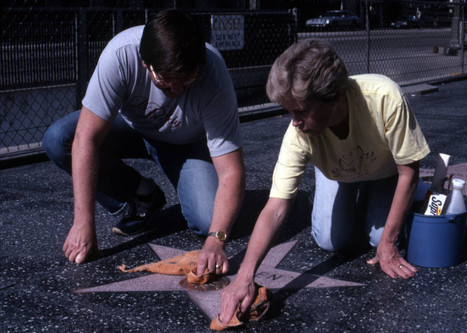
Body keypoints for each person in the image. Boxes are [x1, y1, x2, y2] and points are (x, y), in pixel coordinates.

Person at [218, 39, 430, 324]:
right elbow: (276, 206)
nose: (294, 122)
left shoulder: (384, 97)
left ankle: (385, 200)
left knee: (381, 240)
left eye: (301, 111)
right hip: (338, 172)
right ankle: (358, 198)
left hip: (385, 172)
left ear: (334, 96)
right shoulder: (299, 134)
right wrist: (245, 276)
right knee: (331, 240)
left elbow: (409, 171)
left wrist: (389, 243)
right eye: (290, 112)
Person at [42, 9, 245, 276]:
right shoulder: (120, 54)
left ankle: (169, 194)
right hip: (131, 128)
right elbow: (86, 138)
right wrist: (83, 221)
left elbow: (231, 169)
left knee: (209, 220)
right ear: (144, 63)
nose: (176, 92)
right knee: (60, 139)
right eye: (165, 84)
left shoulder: (213, 72)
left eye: (187, 82)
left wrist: (216, 239)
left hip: (185, 145)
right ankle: (139, 194)